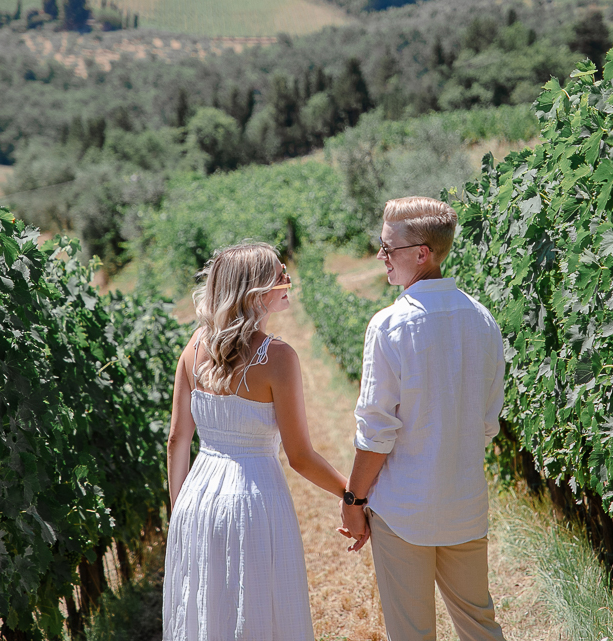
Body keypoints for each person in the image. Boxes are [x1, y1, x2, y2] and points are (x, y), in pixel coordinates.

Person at [337, 196, 508, 641]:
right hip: (465, 506)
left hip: (404, 512)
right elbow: (488, 422)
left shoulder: (389, 326)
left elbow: (375, 435)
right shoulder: (484, 321)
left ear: (421, 254)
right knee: (480, 627)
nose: (380, 256)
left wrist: (354, 501)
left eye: (388, 247)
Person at [163, 241, 348, 641]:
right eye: (279, 274)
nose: (288, 279)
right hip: (253, 497)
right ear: (254, 289)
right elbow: (300, 457)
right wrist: (351, 493)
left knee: (206, 615)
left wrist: (181, 510)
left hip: (197, 496)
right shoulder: (277, 357)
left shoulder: (192, 349)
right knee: (258, 613)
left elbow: (178, 439)